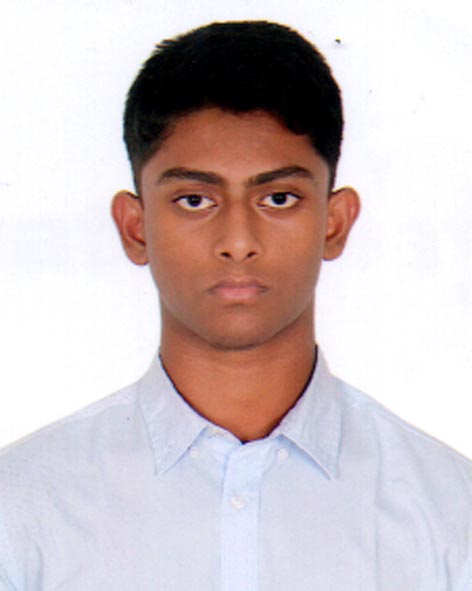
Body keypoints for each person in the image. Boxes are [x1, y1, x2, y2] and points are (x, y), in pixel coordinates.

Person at [0, 20, 470, 591]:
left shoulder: (452, 516)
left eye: (279, 198)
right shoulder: (21, 514)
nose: (239, 240)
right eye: (195, 200)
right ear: (135, 227)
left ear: (335, 222)